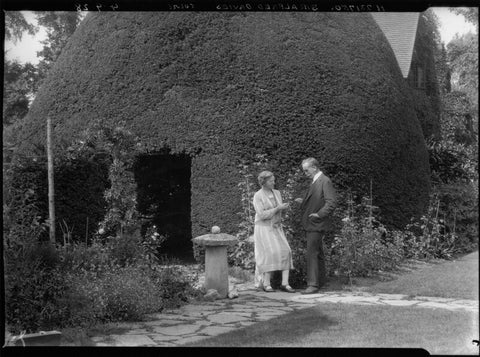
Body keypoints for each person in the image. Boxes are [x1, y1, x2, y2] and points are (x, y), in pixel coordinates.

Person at [295, 158, 336, 294]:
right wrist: (303, 202)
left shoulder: (325, 181)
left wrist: (319, 214)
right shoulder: (315, 181)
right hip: (312, 223)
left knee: (312, 253)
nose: (305, 173)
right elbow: (316, 200)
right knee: (318, 253)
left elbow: (331, 203)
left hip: (317, 223)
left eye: (306, 170)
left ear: (314, 167)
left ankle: (312, 285)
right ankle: (321, 282)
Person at [253, 170, 295, 293]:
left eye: (274, 180)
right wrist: (277, 208)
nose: (274, 182)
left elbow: (279, 211)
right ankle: (266, 284)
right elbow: (261, 215)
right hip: (263, 227)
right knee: (269, 253)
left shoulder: (277, 193)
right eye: (271, 181)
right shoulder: (258, 195)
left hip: (276, 227)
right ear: (264, 182)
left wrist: (284, 208)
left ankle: (285, 283)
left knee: (286, 251)